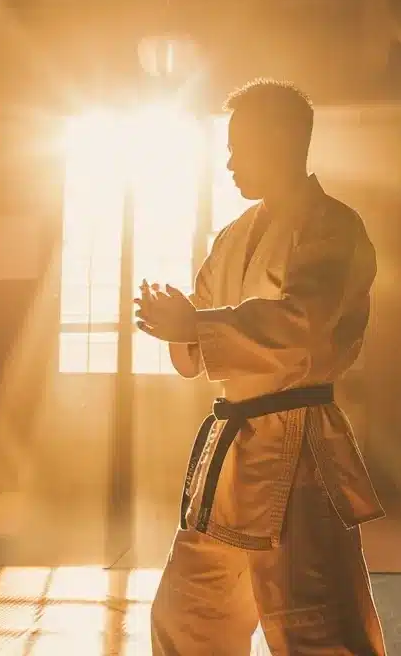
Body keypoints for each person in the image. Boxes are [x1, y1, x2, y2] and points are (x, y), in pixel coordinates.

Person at [134, 78, 387, 654]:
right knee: (187, 614)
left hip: (299, 449)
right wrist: (178, 322)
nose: (227, 162)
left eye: (237, 146)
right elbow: (202, 324)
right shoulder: (232, 235)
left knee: (312, 619)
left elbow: (303, 322)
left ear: (279, 142)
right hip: (231, 452)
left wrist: (195, 326)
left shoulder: (332, 226)